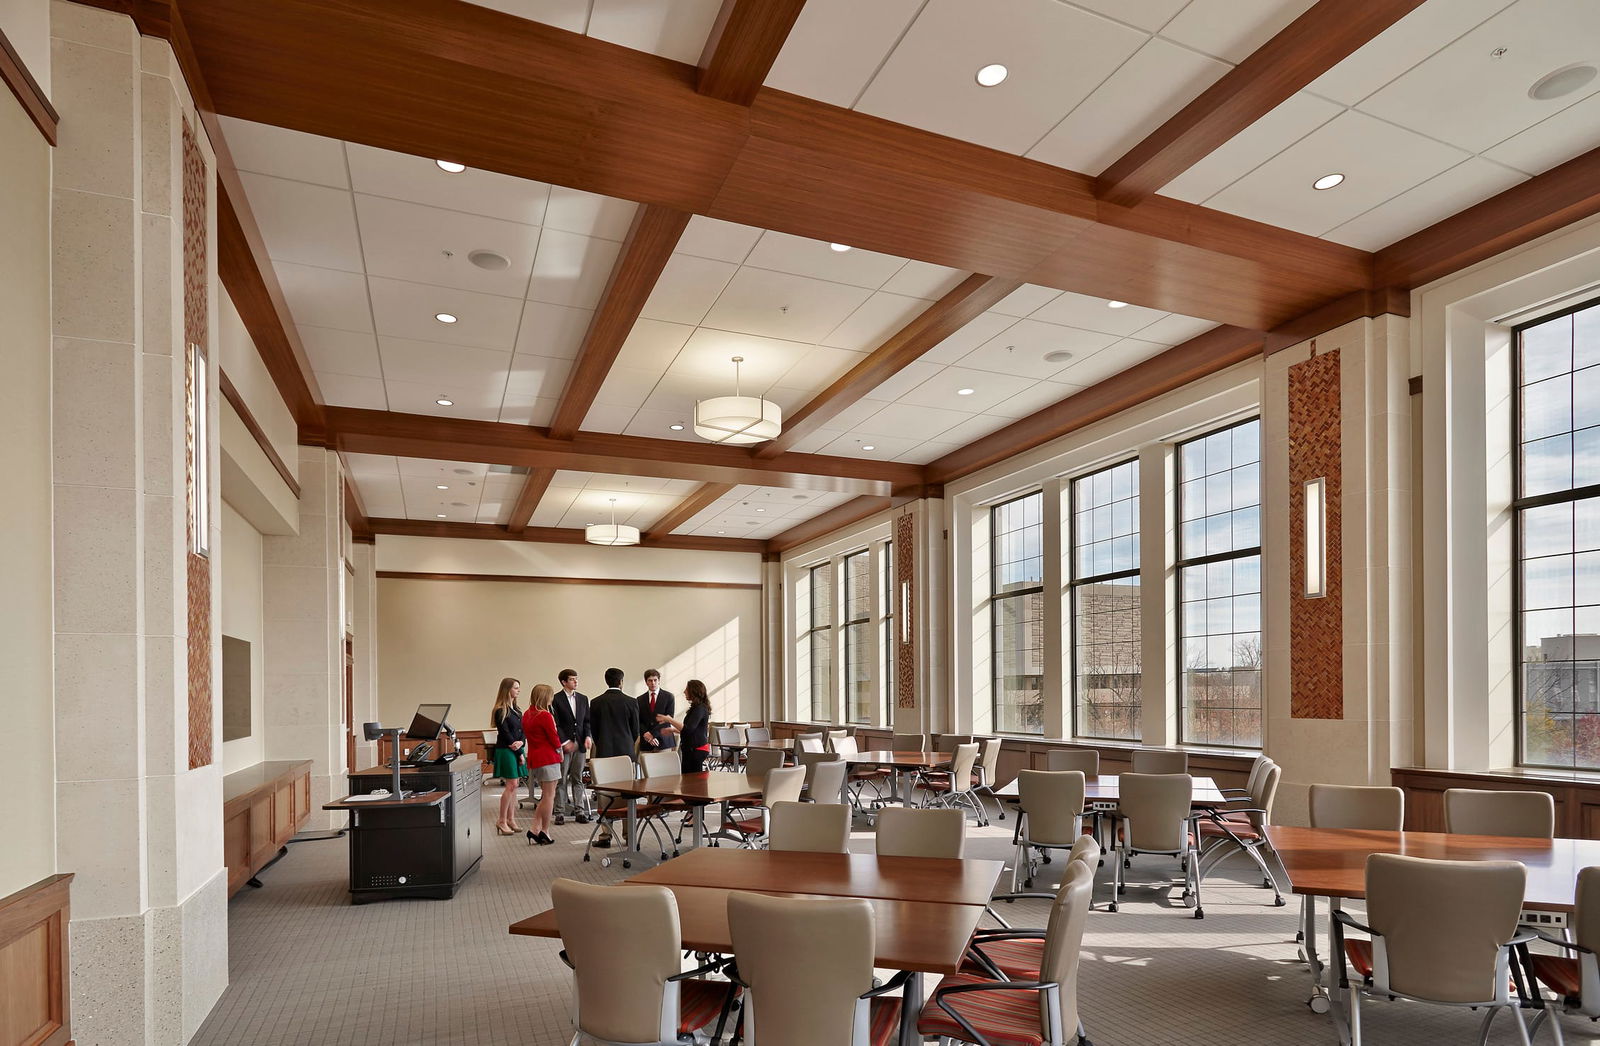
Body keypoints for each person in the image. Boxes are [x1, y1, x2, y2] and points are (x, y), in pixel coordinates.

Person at [588, 667, 641, 848]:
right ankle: (628, 835)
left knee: (604, 794)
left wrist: (602, 743)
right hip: (626, 753)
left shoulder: (595, 702)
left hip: (604, 752)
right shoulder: (631, 702)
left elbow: (594, 731)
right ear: (621, 681)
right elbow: (635, 731)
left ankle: (606, 835)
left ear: (606, 681)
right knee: (627, 793)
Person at [521, 684, 562, 846]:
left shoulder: (526, 714)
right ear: (546, 697)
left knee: (546, 796)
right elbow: (553, 737)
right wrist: (560, 751)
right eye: (550, 696)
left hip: (535, 757)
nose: (552, 699)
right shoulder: (545, 715)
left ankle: (535, 828)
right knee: (549, 797)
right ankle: (545, 830)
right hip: (548, 758)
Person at [550, 668, 590, 826]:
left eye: (576, 678)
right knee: (561, 779)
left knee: (578, 778)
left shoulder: (583, 698)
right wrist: (564, 742)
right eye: (572, 679)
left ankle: (579, 810)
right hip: (564, 746)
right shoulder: (556, 699)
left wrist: (588, 736)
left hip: (580, 744)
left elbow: (587, 721)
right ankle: (559, 812)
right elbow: (556, 724)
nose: (576, 681)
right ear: (563, 682)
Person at [490, 677, 526, 835]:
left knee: (515, 785)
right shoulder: (500, 710)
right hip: (506, 750)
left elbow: (523, 731)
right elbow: (505, 733)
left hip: (517, 748)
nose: (518, 690)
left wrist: (522, 744)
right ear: (507, 690)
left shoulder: (517, 710)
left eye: (518, 688)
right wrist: (518, 750)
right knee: (511, 785)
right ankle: (501, 820)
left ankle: (511, 819)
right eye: (516, 688)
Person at [656, 678, 712, 773]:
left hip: (696, 750)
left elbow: (688, 729)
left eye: (687, 689)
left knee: (692, 781)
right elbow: (691, 730)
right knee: (688, 779)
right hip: (691, 749)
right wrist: (673, 730)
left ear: (693, 691)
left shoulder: (700, 708)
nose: (684, 691)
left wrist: (669, 719)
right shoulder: (696, 708)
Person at [636, 669, 676, 754]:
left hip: (663, 741)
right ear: (646, 682)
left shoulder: (669, 697)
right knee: (645, 767)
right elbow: (638, 720)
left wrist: (652, 735)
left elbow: (668, 719)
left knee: (664, 767)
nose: (653, 683)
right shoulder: (639, 700)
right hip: (646, 742)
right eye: (650, 680)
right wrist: (647, 734)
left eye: (655, 680)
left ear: (659, 681)